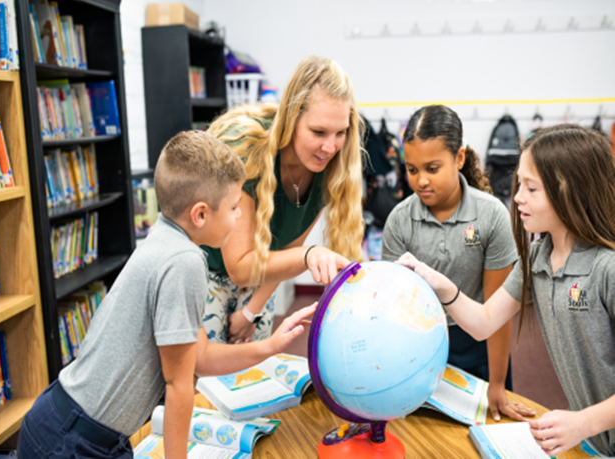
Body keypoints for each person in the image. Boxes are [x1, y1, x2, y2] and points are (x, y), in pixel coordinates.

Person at [17, 131, 317, 459]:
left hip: (69, 425)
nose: (240, 215)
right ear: (200, 214)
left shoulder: (165, 237)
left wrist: (270, 346)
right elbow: (179, 385)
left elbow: (200, 356)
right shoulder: (184, 261)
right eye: (234, 206)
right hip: (71, 441)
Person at [397, 124, 615, 457]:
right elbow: (484, 322)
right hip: (595, 441)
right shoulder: (537, 258)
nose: (517, 198)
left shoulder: (607, 267)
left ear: (570, 190)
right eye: (519, 185)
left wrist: (583, 422)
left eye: (531, 188)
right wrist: (441, 285)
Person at [382, 105, 533, 422]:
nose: (421, 180)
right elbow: (395, 308)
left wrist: (498, 384)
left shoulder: (491, 215)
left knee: (480, 428)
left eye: (432, 168)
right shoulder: (399, 221)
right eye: (412, 169)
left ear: (459, 158)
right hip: (420, 344)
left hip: (479, 342)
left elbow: (496, 312)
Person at [202, 55, 364, 344]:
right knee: (207, 369)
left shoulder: (329, 166)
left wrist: (250, 313)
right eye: (318, 132)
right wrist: (309, 255)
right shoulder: (245, 149)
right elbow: (240, 266)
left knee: (254, 367)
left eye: (340, 133)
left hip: (258, 279)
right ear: (291, 118)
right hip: (204, 270)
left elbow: (288, 250)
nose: (330, 147)